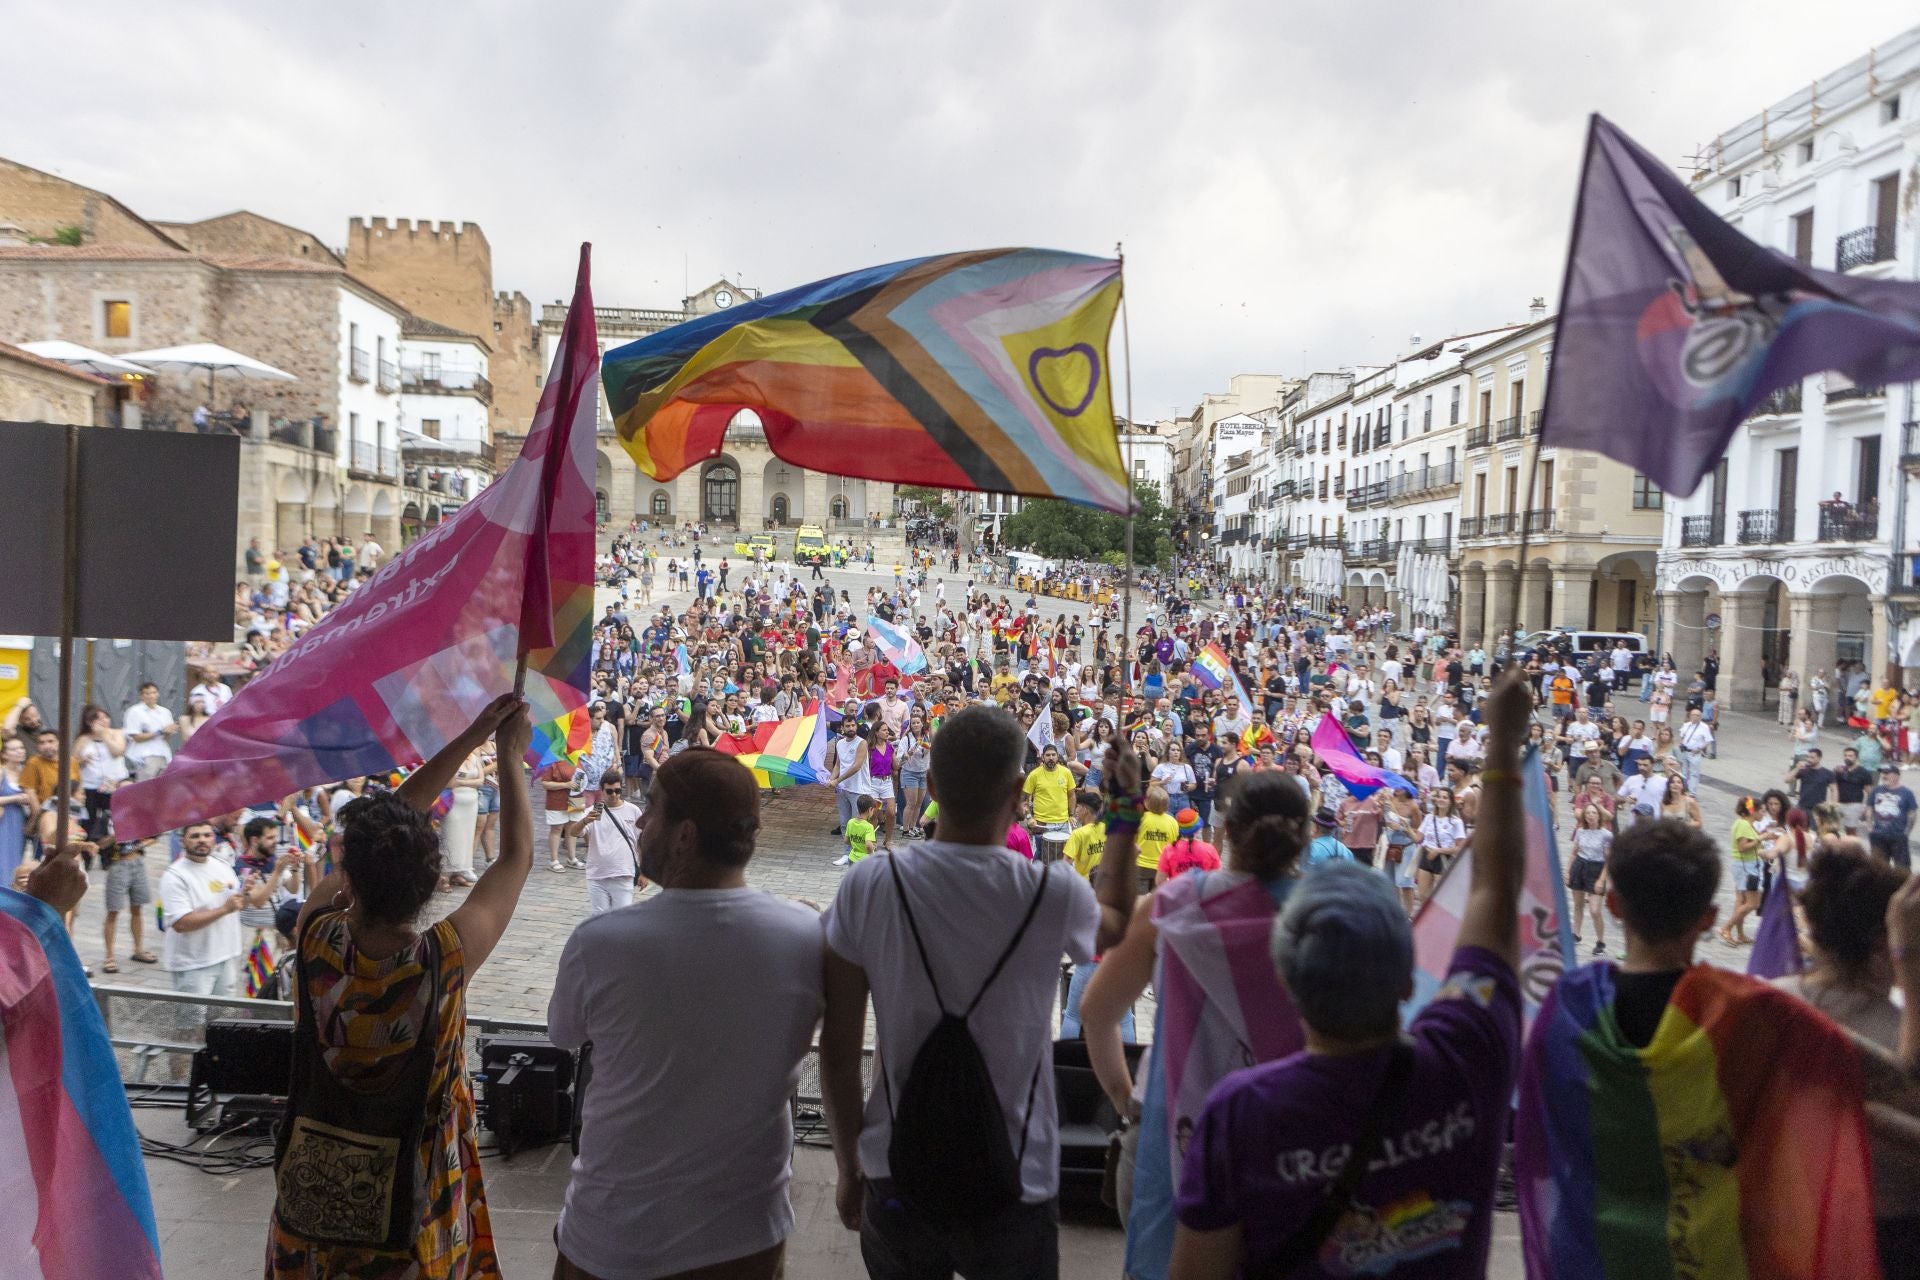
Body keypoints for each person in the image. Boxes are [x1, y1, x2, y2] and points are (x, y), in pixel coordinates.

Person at [1169, 673, 1534, 1279]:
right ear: (1402, 981)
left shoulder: (1242, 1112)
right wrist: (1504, 742)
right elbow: (1495, 892)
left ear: (1289, 985)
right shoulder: (1469, 1053)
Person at [818, 705, 1143, 1279]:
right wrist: (1123, 809)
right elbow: (1116, 920)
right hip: (1017, 1174)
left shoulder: (870, 884)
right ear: (1020, 792)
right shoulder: (1050, 890)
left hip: (896, 1167)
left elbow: (840, 1048)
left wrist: (848, 1163)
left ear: (933, 786)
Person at [1517, 817, 1919, 1279]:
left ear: (1613, 905)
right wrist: (1909, 958)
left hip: (1591, 1260)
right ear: (1709, 918)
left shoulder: (1566, 1009)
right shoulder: (1752, 1014)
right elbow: (1906, 1074)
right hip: (1706, 1261)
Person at [268, 693, 531, 1278]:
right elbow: (514, 858)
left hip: (316, 1197)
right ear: (434, 881)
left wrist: (467, 738)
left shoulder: (315, 934)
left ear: (349, 874)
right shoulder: (443, 957)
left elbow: (383, 824)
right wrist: (509, 755)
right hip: (416, 1201)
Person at [549, 748, 830, 1280]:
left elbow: (565, 1035)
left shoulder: (601, 943)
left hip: (614, 1236)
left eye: (651, 808)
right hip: (746, 1235)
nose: (640, 820)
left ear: (684, 834)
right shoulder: (803, 936)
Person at [1082, 768, 1317, 1280]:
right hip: (1293, 1136)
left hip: (1167, 1131)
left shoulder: (1171, 904)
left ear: (1226, 831)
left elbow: (1097, 1014)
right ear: (1307, 834)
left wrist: (1128, 1103)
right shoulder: (1329, 911)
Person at [1771, 844, 1920, 1273]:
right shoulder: (1904, 1029)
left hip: (1786, 1230)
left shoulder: (1767, 1004)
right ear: (1885, 942)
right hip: (1891, 1245)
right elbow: (1906, 1078)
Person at [566, 772, 646, 914]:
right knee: (599, 918)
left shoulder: (633, 811)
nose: (614, 794)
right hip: (597, 875)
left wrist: (644, 872)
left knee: (621, 919)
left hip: (623, 873)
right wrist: (585, 821)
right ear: (602, 791)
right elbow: (574, 832)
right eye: (609, 791)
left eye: (617, 790)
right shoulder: (593, 811)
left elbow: (642, 842)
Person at [1567, 801, 1613, 956]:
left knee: (1595, 910)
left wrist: (1601, 880)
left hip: (1597, 868)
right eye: (1588, 813)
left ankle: (1600, 941)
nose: (1591, 816)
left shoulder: (1606, 834)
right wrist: (1568, 871)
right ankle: (1576, 933)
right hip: (1580, 866)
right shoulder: (1580, 832)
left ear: (1599, 816)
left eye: (1594, 813)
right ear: (1584, 816)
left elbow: (1608, 860)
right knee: (1578, 905)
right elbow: (1574, 852)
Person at [122, 681, 179, 782]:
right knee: (146, 787)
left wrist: (169, 731)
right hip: (145, 755)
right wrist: (160, 732)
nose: (151, 696)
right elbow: (136, 737)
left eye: (154, 692)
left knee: (163, 787)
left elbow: (167, 738)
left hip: (164, 754)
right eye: (147, 693)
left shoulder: (165, 712)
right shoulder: (135, 711)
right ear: (141, 696)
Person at [1867, 762, 1918, 870]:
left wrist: (1906, 832)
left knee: (1902, 868)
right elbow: (1870, 807)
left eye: (1887, 773)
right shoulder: (1877, 790)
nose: (1883, 776)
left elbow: (1912, 813)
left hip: (1897, 836)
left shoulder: (1907, 793)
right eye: (1882, 773)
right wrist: (1869, 826)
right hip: (1878, 835)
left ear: (1896, 776)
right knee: (1877, 867)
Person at [1133, 784, 1180, 893]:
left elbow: (1133, 842)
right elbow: (1173, 844)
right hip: (1161, 866)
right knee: (1155, 899)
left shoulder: (1140, 819)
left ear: (1146, 802)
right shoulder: (1172, 821)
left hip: (1141, 865)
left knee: (1140, 898)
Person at [1023, 743, 1076, 839]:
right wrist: (1029, 818)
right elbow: (1026, 801)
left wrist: (1072, 815)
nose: (1051, 757)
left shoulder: (1066, 772)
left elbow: (1071, 795)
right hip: (1040, 824)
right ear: (1042, 757)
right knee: (1041, 853)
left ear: (1057, 756)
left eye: (1053, 755)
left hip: (1063, 823)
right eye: (1047, 755)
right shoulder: (1034, 774)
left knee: (1063, 854)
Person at [844, 794, 879, 865]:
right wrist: (873, 849)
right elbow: (868, 845)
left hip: (852, 858)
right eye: (873, 810)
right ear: (870, 809)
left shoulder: (850, 822)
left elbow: (846, 840)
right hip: (864, 861)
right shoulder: (869, 827)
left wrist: (857, 844)